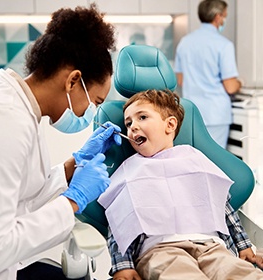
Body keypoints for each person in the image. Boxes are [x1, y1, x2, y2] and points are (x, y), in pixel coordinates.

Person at [0, 3, 122, 280]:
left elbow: (20, 196)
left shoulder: (21, 108)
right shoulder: (3, 119)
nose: (89, 113)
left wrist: (73, 166)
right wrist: (72, 202)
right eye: (95, 102)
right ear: (73, 81)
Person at [98, 89, 263, 280]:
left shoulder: (194, 159)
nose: (133, 126)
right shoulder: (131, 170)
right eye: (128, 123)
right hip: (161, 249)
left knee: (240, 273)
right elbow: (120, 221)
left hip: (211, 246)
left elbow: (222, 207)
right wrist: (123, 267)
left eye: (142, 117)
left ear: (170, 125)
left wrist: (243, 245)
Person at [174, 0, 243, 149]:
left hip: (192, 113)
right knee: (214, 161)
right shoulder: (223, 45)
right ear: (218, 17)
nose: (224, 19)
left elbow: (180, 80)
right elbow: (230, 87)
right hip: (215, 115)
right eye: (224, 16)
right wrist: (240, 83)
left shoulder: (185, 42)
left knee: (195, 157)